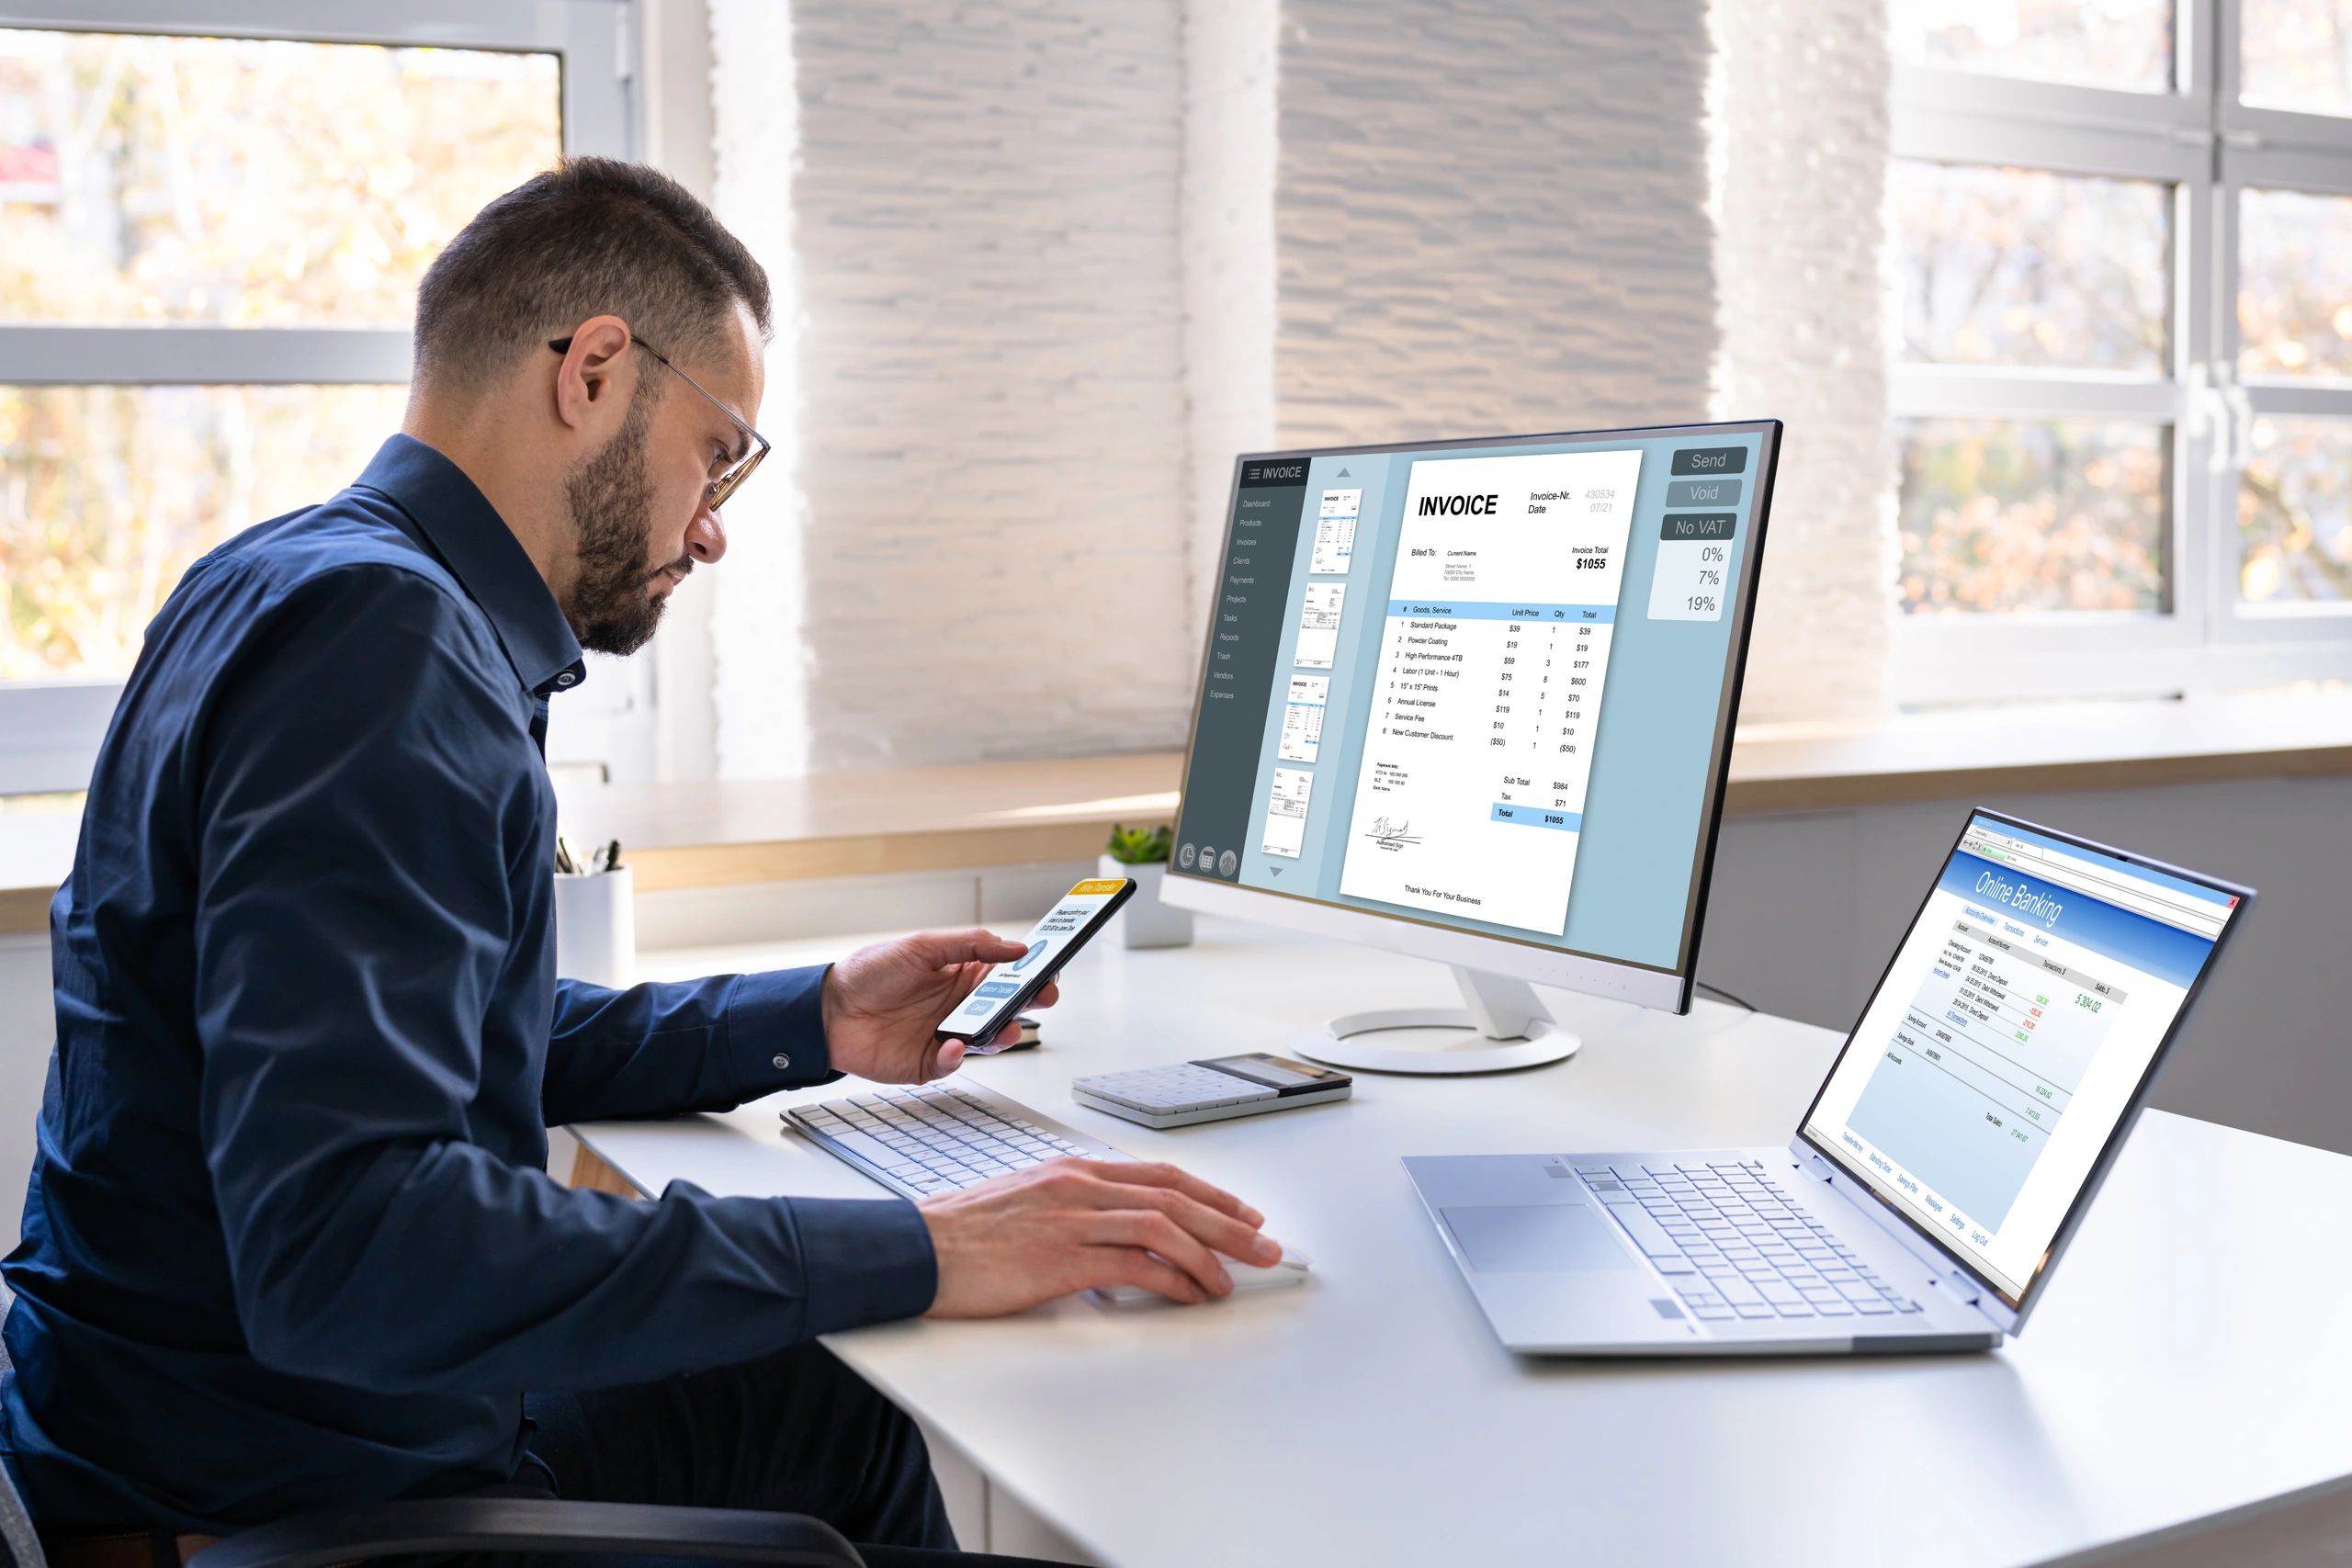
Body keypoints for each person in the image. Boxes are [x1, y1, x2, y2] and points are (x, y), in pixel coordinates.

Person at [0, 158, 1278, 1568]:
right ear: (595, 372)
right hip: (268, 1496)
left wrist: (814, 1019)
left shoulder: (282, 577)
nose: (716, 520)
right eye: (720, 450)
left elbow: (443, 1042)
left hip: (181, 1434)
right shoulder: (383, 649)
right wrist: (928, 1249)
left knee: (822, 1415)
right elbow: (351, 1248)